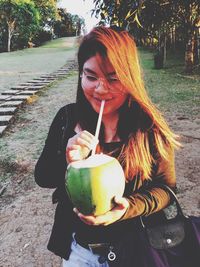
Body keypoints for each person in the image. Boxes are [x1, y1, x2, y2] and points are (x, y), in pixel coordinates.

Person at [34, 26, 180, 267]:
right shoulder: (67, 119)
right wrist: (68, 160)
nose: (100, 89)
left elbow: (166, 190)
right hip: (80, 252)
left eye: (113, 78)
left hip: (137, 251)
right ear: (80, 74)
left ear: (130, 77)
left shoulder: (149, 128)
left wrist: (127, 209)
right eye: (91, 76)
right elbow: (42, 177)